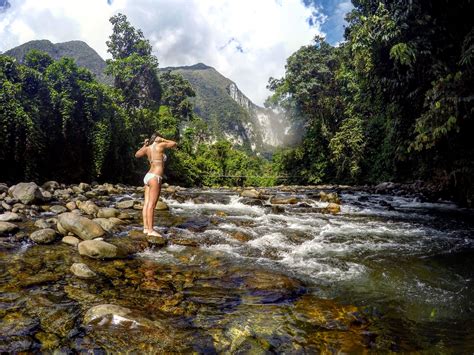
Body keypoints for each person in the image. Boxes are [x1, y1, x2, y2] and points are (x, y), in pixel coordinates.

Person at [135, 132, 177, 236]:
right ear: (158, 138)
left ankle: (145, 228)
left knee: (146, 204)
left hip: (148, 176)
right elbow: (174, 143)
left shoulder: (147, 148)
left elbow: (137, 154)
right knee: (151, 205)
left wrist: (144, 145)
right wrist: (163, 140)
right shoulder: (160, 145)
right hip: (155, 177)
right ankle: (150, 230)